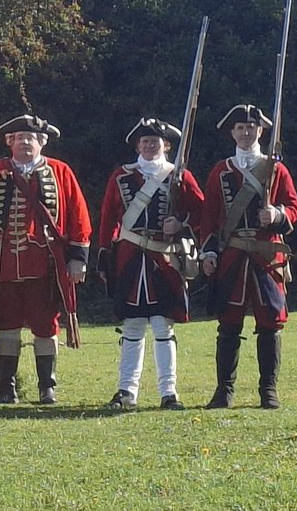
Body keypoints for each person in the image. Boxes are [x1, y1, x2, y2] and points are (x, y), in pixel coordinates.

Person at [0, 114, 92, 405]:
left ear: (42, 142)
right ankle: (6, 388)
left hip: (44, 264)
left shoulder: (60, 171)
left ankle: (47, 387)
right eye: (18, 138)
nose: (24, 143)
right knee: (7, 325)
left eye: (30, 138)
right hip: (3, 264)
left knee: (46, 325)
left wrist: (78, 258)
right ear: (10, 143)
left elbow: (78, 215)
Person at [95, 118, 204, 410]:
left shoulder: (178, 175)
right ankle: (126, 390)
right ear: (137, 145)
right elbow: (107, 217)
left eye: (155, 141)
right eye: (144, 141)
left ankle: (169, 392)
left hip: (164, 256)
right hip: (129, 256)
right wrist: (105, 254)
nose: (149, 145)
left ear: (166, 145)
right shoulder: (121, 176)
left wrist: (179, 223)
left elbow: (202, 211)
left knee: (162, 326)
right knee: (131, 325)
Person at [201, 104, 297, 410]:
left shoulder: (276, 169)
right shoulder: (220, 171)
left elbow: (294, 207)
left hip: (266, 255)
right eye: (240, 128)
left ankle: (268, 391)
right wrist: (207, 250)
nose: (246, 132)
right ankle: (224, 392)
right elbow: (210, 216)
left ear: (261, 131)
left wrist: (277, 213)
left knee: (270, 322)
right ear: (232, 132)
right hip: (232, 253)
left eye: (251, 127)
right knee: (228, 323)